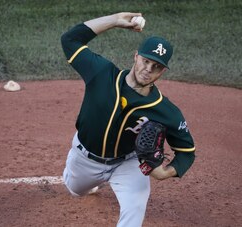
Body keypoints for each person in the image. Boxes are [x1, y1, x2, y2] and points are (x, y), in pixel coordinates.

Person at [61, 12, 196, 227]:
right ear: (136, 56)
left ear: (163, 71)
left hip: (129, 162)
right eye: (146, 61)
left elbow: (187, 152)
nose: (148, 70)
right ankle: (84, 180)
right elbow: (70, 40)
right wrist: (114, 21)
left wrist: (166, 172)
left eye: (157, 67)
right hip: (85, 158)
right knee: (75, 190)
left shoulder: (166, 111)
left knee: (135, 208)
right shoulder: (102, 73)